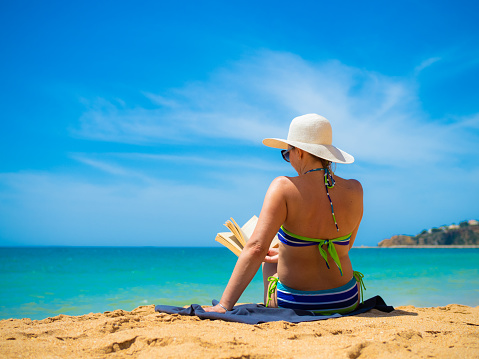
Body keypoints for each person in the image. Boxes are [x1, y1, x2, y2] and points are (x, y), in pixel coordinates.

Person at [204, 113, 364, 315]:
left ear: (300, 152)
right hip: (346, 299)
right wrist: (291, 251)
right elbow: (345, 246)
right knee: (279, 256)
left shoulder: (284, 186)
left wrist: (224, 305)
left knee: (268, 265)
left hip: (295, 304)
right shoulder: (355, 189)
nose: (289, 160)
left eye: (287, 154)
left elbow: (256, 248)